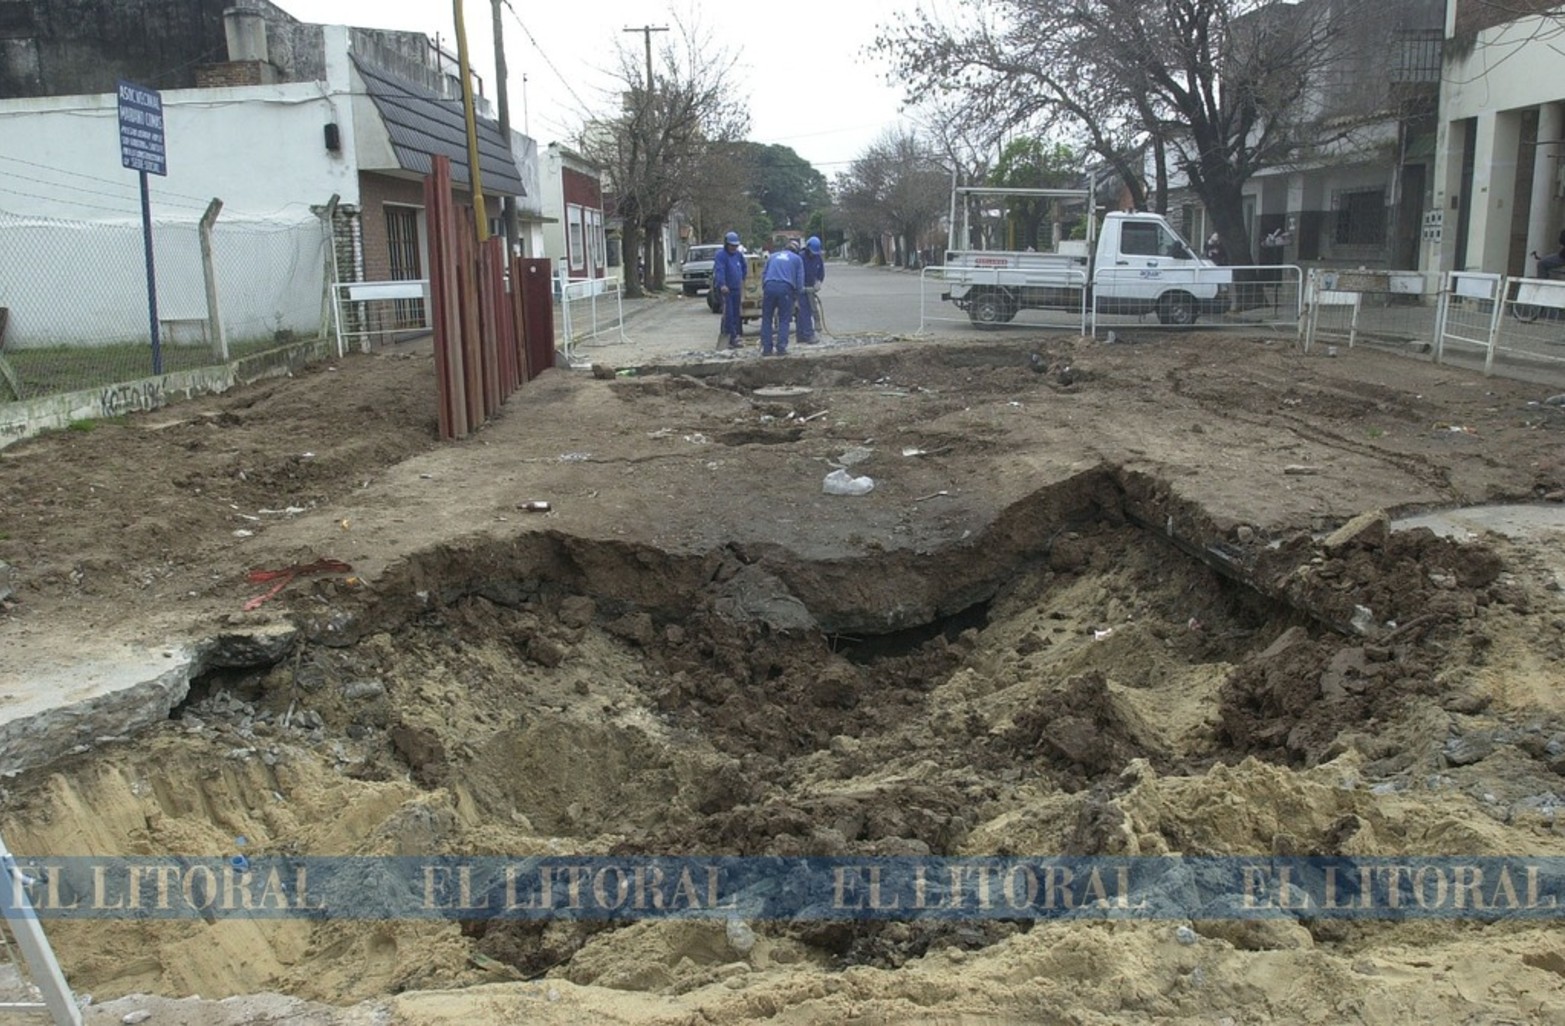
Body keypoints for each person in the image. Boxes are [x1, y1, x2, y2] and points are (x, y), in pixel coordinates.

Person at [760, 238, 804, 356]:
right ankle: (781, 347)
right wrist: (797, 298)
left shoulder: (773, 256)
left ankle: (767, 349)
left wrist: (765, 288)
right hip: (785, 288)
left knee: (767, 318)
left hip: (769, 286)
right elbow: (800, 282)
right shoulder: (797, 259)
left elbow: (764, 274)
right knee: (784, 319)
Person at [712, 231, 747, 348]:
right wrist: (722, 284)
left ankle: (734, 335)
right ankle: (731, 338)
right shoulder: (721, 255)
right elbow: (719, 270)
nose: (733, 248)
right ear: (726, 244)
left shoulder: (738, 255)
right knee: (729, 314)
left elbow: (743, 266)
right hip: (725, 289)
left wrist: (742, 278)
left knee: (736, 314)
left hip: (736, 288)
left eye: (735, 246)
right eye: (731, 245)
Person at [797, 236, 826, 343]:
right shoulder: (800, 257)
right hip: (801, 287)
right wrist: (799, 286)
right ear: (807, 247)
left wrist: (818, 281)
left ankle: (801, 335)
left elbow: (821, 273)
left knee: (808, 310)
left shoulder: (818, 258)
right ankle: (808, 335)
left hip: (811, 287)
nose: (813, 254)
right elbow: (796, 273)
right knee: (804, 310)